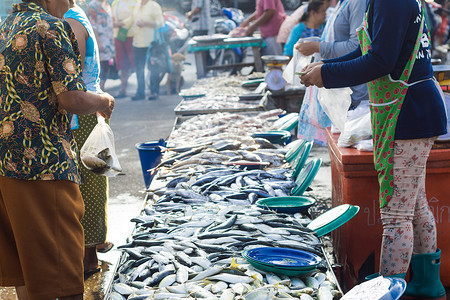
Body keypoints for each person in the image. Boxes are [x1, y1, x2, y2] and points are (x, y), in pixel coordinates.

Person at [300, 0, 447, 298]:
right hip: (411, 108)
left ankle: (386, 290)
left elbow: (379, 60)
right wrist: (326, 66)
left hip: (409, 109)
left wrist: (327, 76)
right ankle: (426, 283)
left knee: (396, 214)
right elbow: (371, 51)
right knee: (413, 204)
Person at [0, 0, 115, 299]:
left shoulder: (6, 26)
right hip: (44, 162)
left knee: (24, 261)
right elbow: (71, 99)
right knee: (64, 268)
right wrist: (104, 102)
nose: (71, 3)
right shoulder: (52, 26)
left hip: (5, 161)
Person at [65, 0, 113, 277]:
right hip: (88, 109)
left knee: (87, 184)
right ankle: (92, 248)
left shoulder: (70, 20)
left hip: (81, 114)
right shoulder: (76, 15)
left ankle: (89, 257)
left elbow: (73, 80)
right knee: (91, 180)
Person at [131, 0, 164, 100]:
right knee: (139, 68)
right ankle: (140, 92)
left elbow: (160, 23)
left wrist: (146, 23)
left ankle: (154, 91)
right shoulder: (136, 5)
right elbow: (131, 20)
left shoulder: (154, 6)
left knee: (153, 68)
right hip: (137, 41)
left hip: (151, 42)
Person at [88, 0, 115, 92]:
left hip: (109, 40)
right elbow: (93, 26)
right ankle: (99, 88)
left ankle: (102, 87)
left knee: (107, 64)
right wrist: (98, 42)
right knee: (102, 65)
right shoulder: (93, 5)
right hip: (100, 39)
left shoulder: (107, 5)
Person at [112, 0, 136, 99]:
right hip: (118, 35)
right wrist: (115, 23)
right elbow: (112, 17)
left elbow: (134, 17)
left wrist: (121, 24)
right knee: (121, 63)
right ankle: (123, 89)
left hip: (131, 35)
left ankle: (138, 90)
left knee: (132, 62)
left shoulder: (135, 2)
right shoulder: (115, 3)